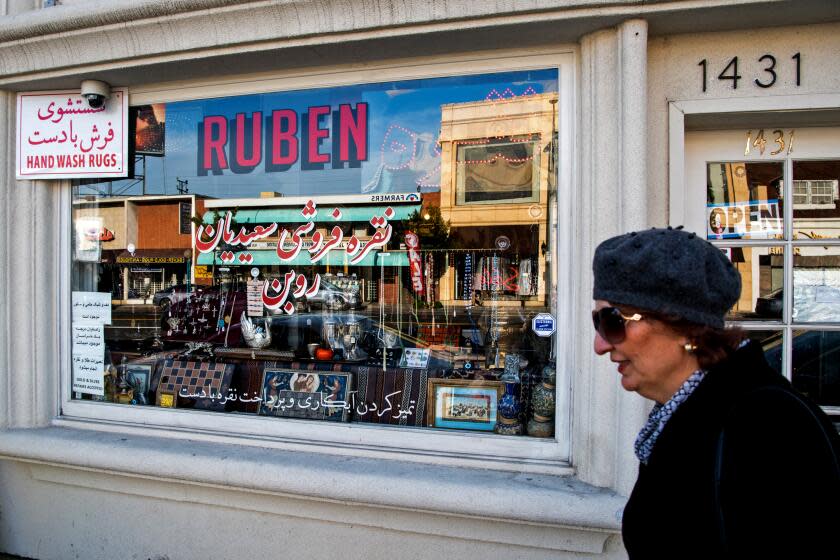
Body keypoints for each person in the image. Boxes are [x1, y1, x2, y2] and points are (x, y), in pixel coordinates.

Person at [591, 226, 840, 558]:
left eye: (612, 321)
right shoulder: (681, 412)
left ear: (682, 324)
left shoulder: (768, 423)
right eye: (598, 323)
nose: (600, 345)